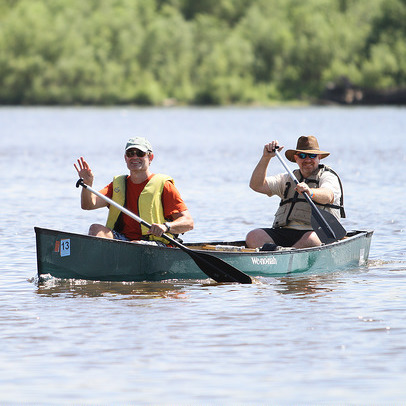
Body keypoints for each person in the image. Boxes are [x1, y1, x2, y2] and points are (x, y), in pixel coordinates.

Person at [74, 137, 194, 245]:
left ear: (150, 157)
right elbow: (88, 205)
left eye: (140, 153)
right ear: (126, 158)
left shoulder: (164, 185)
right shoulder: (118, 185)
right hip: (125, 241)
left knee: (136, 245)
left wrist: (166, 227)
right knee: (95, 229)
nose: (135, 157)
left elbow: (188, 223)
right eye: (130, 153)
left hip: (154, 243)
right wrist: (87, 183)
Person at [246, 136, 345, 250]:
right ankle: (276, 253)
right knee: (253, 236)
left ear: (319, 157)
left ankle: (283, 255)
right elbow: (256, 185)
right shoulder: (288, 178)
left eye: (312, 156)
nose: (307, 160)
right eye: (302, 156)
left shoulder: (327, 176)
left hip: (316, 232)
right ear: (296, 158)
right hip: (284, 232)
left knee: (311, 239)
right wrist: (266, 158)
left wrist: (310, 191)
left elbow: (328, 195)